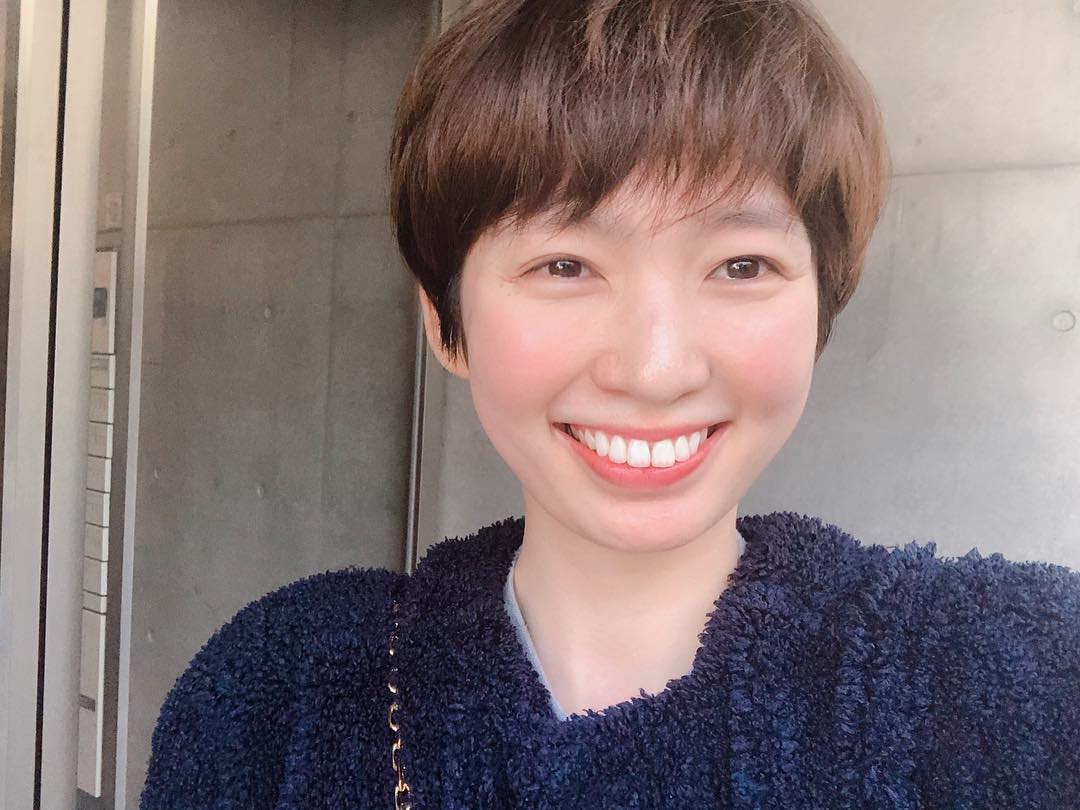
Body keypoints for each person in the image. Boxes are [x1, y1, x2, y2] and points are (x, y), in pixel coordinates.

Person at [141, 0, 1080, 807]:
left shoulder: (1008, 681)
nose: (657, 368)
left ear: (821, 308)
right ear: (445, 322)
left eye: (741, 265)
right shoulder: (280, 694)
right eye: (564, 264)